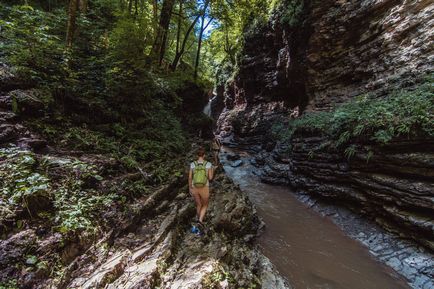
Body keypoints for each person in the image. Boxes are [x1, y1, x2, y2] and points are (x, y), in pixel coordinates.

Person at [189, 147, 214, 232]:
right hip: (204, 187)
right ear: (204, 155)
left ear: (197, 155)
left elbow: (189, 178)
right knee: (205, 205)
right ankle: (200, 221)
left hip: (195, 187)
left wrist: (190, 188)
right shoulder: (208, 164)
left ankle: (198, 220)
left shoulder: (192, 164)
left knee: (199, 204)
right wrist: (212, 170)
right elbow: (210, 178)